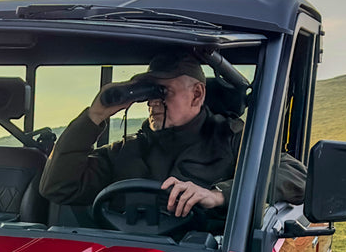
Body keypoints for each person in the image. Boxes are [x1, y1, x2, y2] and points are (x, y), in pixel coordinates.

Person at [39, 50, 304, 218]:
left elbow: (297, 176)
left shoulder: (232, 138)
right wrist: (94, 116)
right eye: (149, 93)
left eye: (163, 92)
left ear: (197, 94)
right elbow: (57, 187)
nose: (153, 102)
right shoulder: (127, 151)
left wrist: (219, 195)